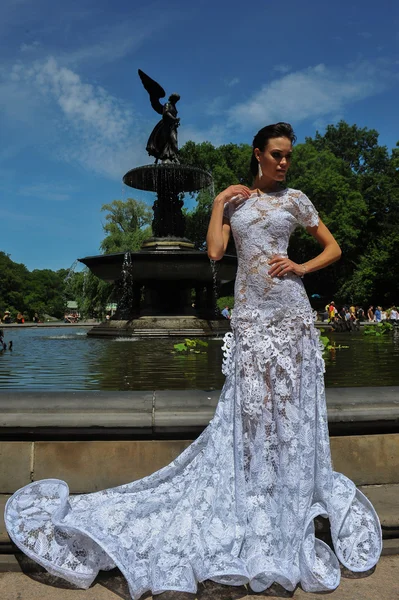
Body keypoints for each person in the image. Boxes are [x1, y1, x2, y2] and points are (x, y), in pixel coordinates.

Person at [4, 122, 382, 597]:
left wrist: (300, 266)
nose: (285, 162)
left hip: (290, 313)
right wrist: (220, 203)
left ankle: (287, 493)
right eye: (277, 155)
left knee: (290, 408)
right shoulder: (236, 202)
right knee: (250, 409)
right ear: (258, 154)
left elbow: (334, 247)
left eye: (289, 156)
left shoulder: (297, 199)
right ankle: (255, 490)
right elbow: (215, 251)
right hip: (248, 314)